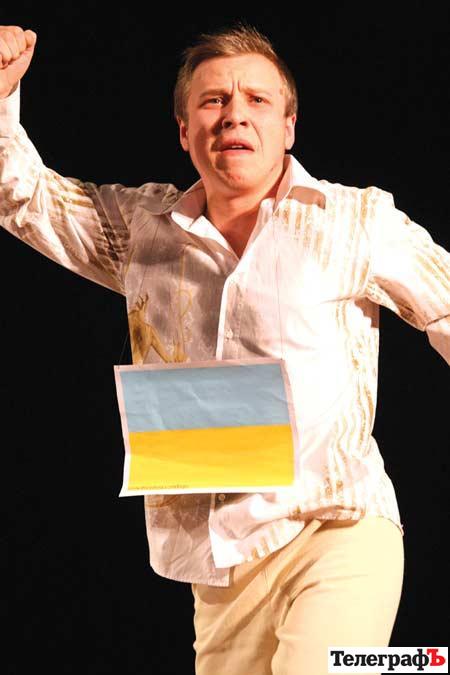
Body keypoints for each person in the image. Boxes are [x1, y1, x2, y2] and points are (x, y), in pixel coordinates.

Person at [1, 22, 449, 675]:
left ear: (288, 127)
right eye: (213, 100)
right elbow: (24, 197)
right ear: (184, 131)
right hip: (220, 566)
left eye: (257, 99)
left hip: (337, 527)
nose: (234, 113)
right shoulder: (142, 229)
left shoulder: (355, 222)